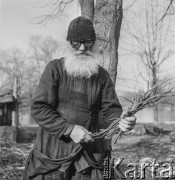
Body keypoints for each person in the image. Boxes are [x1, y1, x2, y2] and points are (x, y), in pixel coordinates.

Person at [23, 16, 136, 180]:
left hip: (90, 158)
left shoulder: (102, 75)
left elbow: (110, 110)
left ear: (94, 44)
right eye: (76, 43)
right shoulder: (54, 69)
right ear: (69, 43)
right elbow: (40, 109)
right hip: (54, 157)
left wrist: (121, 123)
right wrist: (69, 129)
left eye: (88, 42)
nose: (82, 48)